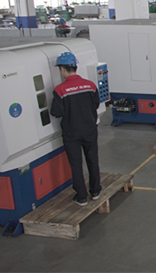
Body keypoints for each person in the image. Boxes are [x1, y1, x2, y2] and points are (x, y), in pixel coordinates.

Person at [50, 52, 102, 206]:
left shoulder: (60, 90)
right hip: (90, 129)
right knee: (93, 160)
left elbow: (56, 112)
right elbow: (96, 104)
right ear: (76, 67)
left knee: (76, 164)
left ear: (62, 69)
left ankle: (81, 196)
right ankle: (96, 191)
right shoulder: (90, 85)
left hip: (71, 132)